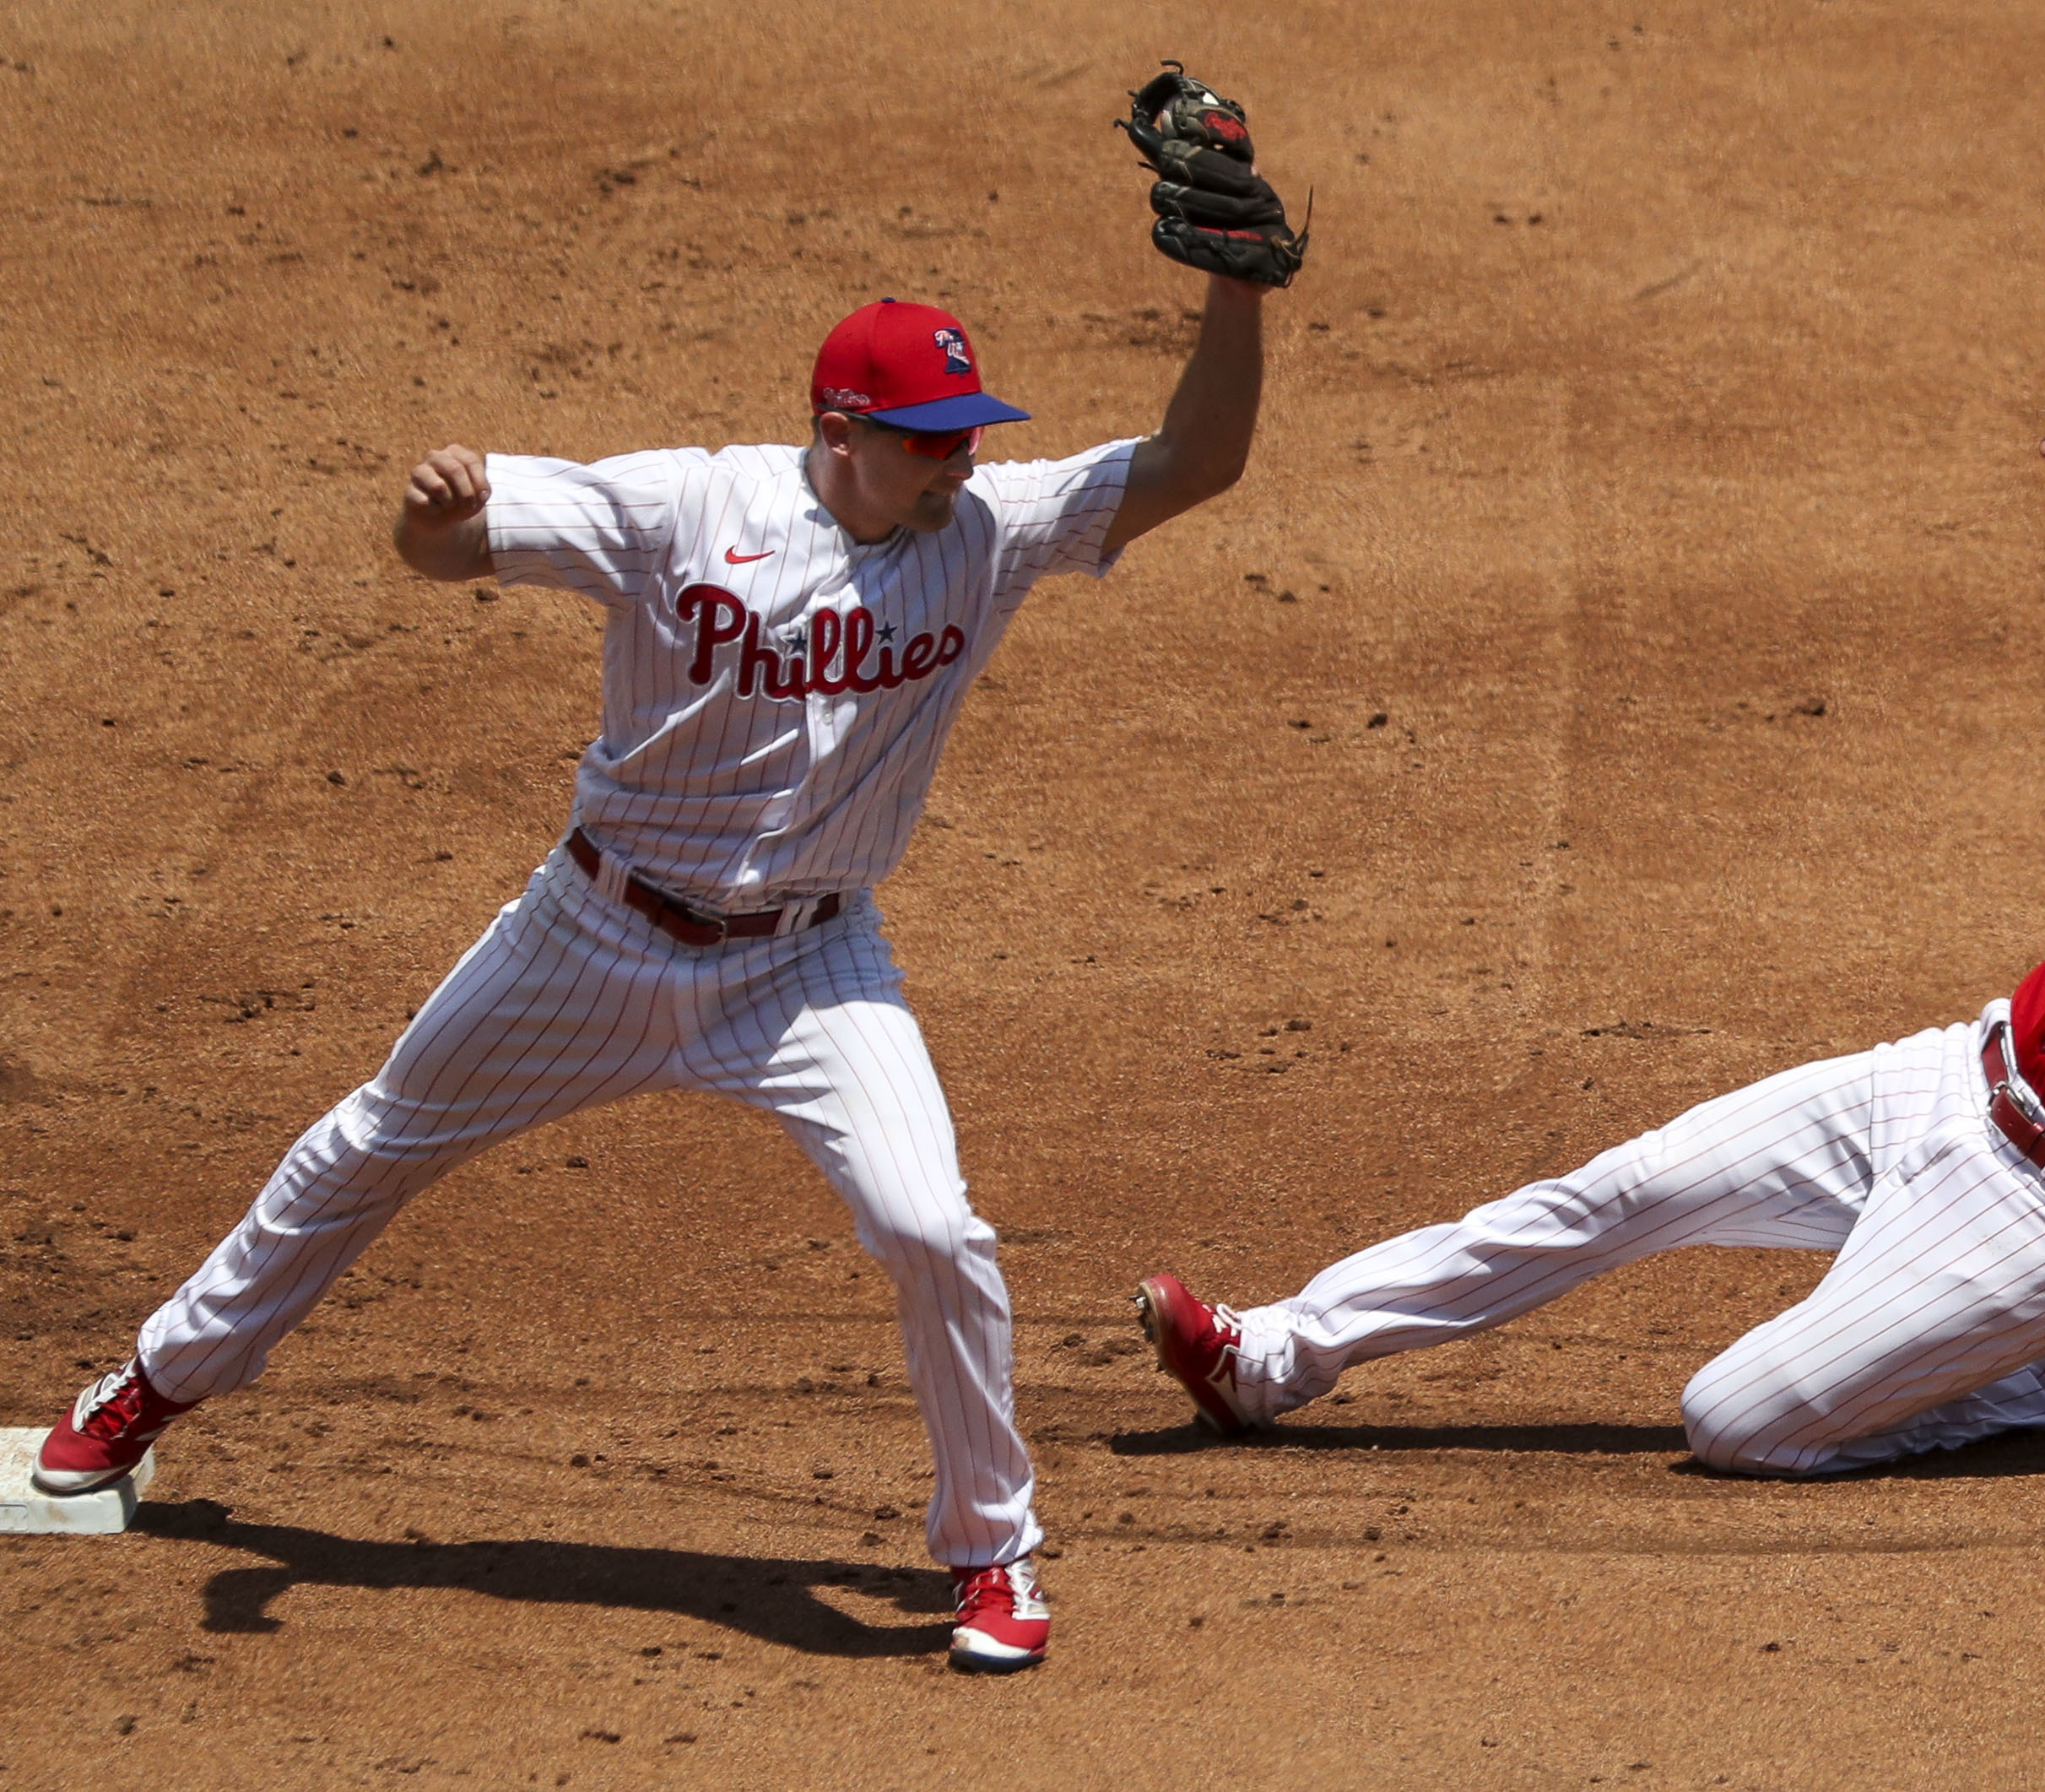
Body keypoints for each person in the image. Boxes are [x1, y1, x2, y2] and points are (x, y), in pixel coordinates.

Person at [31, 82, 1303, 1668]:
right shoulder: (685, 504)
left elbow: (1200, 458)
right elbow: (457, 545)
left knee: (932, 1232)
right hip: (591, 933)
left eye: (966, 438)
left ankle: (994, 1554)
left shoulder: (989, 529)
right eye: (924, 443)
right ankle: (148, 1390)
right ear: (840, 435)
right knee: (369, 1146)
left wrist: (1233, 287)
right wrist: (429, 517)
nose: (958, 464)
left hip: (808, 964)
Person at [1137, 315, 2045, 1548]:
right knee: (1616, 1191)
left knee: (1732, 1421)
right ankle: (1267, 1361)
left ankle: (2020, 1380)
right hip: (1947, 1073)